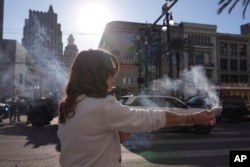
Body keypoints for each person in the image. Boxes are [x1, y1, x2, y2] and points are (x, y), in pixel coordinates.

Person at [57, 49, 215, 167]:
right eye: (111, 73)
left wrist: (117, 136)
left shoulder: (71, 105)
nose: (114, 78)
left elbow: (90, 144)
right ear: (98, 75)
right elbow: (153, 118)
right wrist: (192, 118)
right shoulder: (103, 107)